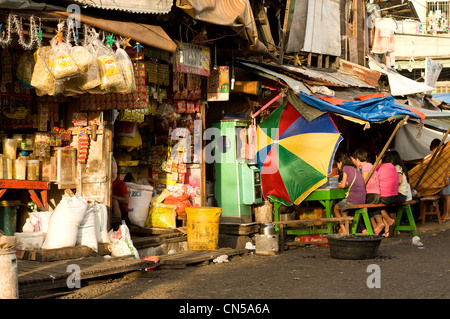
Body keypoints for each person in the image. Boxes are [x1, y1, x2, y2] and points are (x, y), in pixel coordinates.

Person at [352, 149, 385, 235]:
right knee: (373, 208)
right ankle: (377, 225)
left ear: (358, 160)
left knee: (357, 207)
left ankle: (364, 229)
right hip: (377, 194)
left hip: (371, 193)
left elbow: (363, 182)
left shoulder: (366, 167)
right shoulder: (370, 165)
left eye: (355, 160)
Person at [333, 152, 366, 234]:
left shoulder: (345, 168)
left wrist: (336, 185)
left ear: (340, 163)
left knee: (335, 208)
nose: (338, 167)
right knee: (343, 209)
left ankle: (344, 230)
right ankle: (347, 229)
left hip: (354, 199)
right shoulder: (355, 169)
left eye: (337, 164)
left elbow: (343, 185)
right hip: (362, 198)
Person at [376, 152, 401, 237]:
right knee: (387, 208)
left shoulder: (379, 168)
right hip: (395, 196)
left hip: (386, 198)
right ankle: (387, 230)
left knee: (377, 207)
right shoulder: (393, 167)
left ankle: (389, 221)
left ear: (380, 159)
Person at [111, 157, 130, 229]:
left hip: (122, 211)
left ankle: (118, 224)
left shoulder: (120, 183)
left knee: (114, 201)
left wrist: (113, 196)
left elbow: (126, 200)